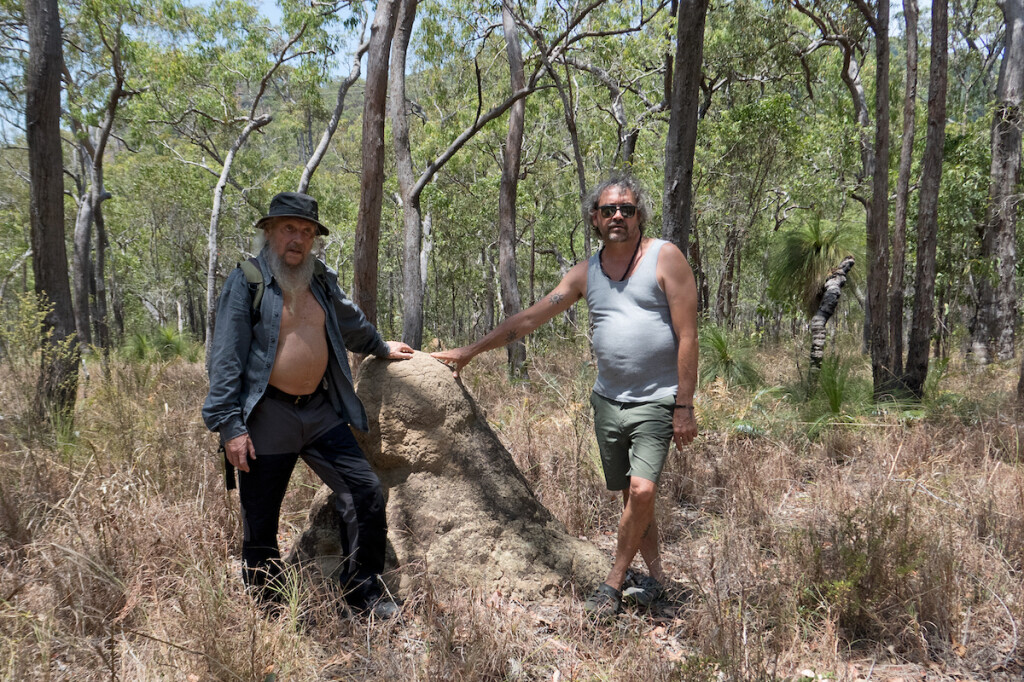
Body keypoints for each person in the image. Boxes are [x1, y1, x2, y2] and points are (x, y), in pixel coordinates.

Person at [432, 174, 698, 617]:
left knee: (643, 488)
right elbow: (530, 319)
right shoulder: (584, 274)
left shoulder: (664, 258)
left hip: (657, 399)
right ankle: (656, 578)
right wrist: (470, 351)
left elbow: (688, 334)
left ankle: (612, 585)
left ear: (639, 215)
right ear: (594, 218)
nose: (618, 216)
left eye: (627, 209)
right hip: (607, 401)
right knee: (632, 497)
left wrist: (684, 405)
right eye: (608, 210)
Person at [202, 191, 414, 619]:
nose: (297, 239)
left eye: (306, 231)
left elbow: (349, 320)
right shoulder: (247, 280)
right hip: (266, 415)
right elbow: (224, 356)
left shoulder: (319, 278)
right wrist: (229, 426)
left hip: (320, 411)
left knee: (364, 493)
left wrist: (379, 345)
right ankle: (272, 611)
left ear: (315, 238)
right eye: (288, 229)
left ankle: (362, 596)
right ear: (269, 232)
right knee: (260, 520)